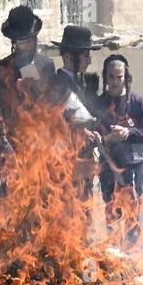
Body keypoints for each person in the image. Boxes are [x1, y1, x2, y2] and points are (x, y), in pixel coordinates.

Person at [94, 54, 143, 237]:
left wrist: (128, 133)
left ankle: (132, 255)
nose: (114, 82)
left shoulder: (135, 102)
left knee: (132, 212)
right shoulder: (98, 103)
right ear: (105, 77)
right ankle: (113, 255)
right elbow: (91, 131)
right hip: (108, 166)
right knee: (112, 212)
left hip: (132, 167)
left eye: (119, 77)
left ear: (126, 77)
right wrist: (104, 138)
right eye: (111, 76)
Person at [52, 25, 105, 201]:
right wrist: (81, 132)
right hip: (65, 163)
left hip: (85, 160)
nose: (89, 61)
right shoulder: (56, 86)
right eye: (85, 56)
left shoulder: (86, 83)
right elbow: (53, 124)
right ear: (68, 57)